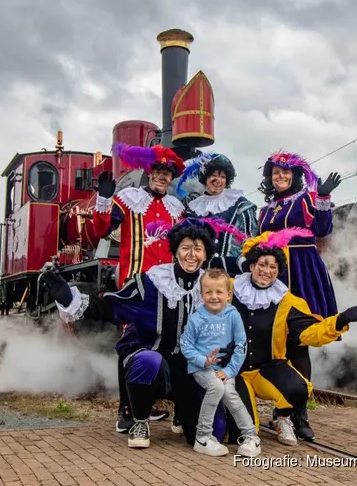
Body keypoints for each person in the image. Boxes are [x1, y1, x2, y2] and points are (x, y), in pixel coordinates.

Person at [41, 219, 238, 449]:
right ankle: (140, 420)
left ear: (206, 254)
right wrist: (69, 299)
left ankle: (184, 414)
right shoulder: (153, 281)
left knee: (215, 431)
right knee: (147, 359)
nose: (191, 255)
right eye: (185, 248)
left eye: (198, 249)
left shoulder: (210, 286)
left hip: (190, 370)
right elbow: (113, 306)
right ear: (175, 250)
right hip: (155, 363)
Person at [219, 228, 357, 446]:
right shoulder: (229, 289)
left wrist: (340, 320)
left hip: (268, 367)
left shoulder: (288, 302)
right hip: (234, 370)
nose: (267, 271)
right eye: (263, 265)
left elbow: (309, 334)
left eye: (273, 267)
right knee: (240, 433)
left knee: (298, 389)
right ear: (252, 265)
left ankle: (282, 417)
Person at [90, 142, 187, 433]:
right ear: (149, 172)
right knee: (130, 347)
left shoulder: (176, 208)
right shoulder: (129, 199)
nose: (161, 176)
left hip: (167, 290)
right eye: (157, 170)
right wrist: (103, 200)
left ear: (172, 178)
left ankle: (146, 403)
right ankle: (126, 412)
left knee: (160, 345)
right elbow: (99, 231)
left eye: (167, 173)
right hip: (136, 286)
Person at [256, 150, 342, 441]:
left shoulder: (306, 199)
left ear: (295, 176)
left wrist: (324, 199)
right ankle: (282, 412)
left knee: (300, 345)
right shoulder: (264, 210)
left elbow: (322, 229)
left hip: (302, 271)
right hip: (273, 273)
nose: (280, 177)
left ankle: (300, 413)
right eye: (275, 173)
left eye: (285, 173)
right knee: (275, 345)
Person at [179, 268, 260, 458]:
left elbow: (241, 345)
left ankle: (251, 437)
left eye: (219, 292)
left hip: (225, 369)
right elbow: (185, 345)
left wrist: (230, 371)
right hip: (202, 368)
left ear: (229, 295)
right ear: (202, 294)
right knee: (216, 387)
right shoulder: (196, 318)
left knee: (230, 394)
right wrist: (203, 361)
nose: (214, 297)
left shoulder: (233, 315)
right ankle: (203, 437)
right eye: (208, 292)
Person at [177, 153, 258, 274]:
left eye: (222, 176)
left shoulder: (240, 205)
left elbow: (251, 241)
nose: (218, 180)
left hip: (231, 273)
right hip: (199, 272)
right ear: (205, 178)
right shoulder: (193, 208)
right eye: (213, 175)